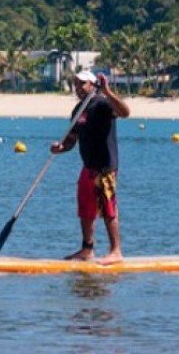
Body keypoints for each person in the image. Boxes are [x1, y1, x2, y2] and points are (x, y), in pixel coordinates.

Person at [50, 70, 131, 264]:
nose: (78, 87)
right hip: (88, 167)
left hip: (105, 167)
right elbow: (71, 140)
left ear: (92, 85)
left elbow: (125, 113)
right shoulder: (78, 110)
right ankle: (87, 249)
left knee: (108, 209)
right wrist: (60, 148)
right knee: (85, 209)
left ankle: (116, 251)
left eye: (82, 84)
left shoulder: (103, 103)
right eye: (76, 84)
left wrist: (108, 91)